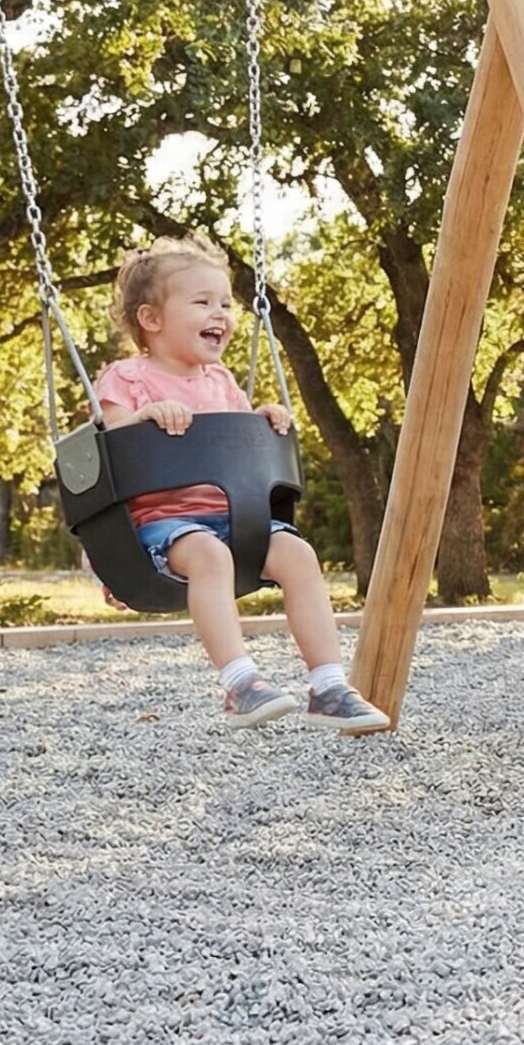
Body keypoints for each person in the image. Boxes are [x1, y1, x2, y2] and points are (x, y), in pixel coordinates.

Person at [94, 236, 390, 731]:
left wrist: (262, 419)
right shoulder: (125, 378)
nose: (222, 314)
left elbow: (232, 436)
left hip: (237, 517)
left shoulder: (221, 381)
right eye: (203, 302)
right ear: (152, 319)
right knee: (209, 554)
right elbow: (110, 443)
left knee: (299, 556)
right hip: (162, 526)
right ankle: (240, 684)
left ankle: (330, 686)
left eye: (227, 304)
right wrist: (144, 417)